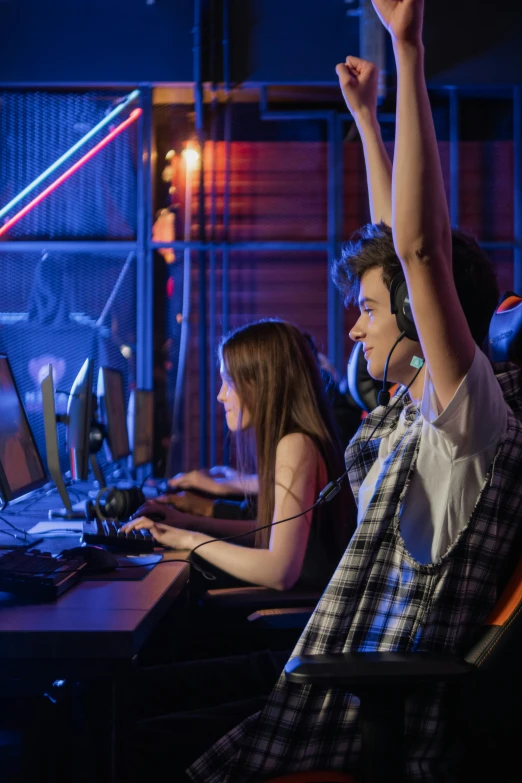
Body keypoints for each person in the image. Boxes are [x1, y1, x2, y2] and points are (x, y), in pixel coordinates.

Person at [181, 1, 522, 781]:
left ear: (417, 315)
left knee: (123, 723)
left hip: (350, 717)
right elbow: (391, 248)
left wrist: (409, 49)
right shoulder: (417, 412)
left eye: (368, 310)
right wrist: (367, 122)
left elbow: (417, 252)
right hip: (336, 685)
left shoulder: (469, 422)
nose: (354, 327)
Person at [123, 318, 352, 592]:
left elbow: (280, 572)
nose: (221, 395)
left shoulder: (296, 445)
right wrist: (189, 522)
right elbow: (270, 531)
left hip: (287, 618)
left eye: (229, 382)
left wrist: (188, 539)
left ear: (263, 385)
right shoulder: (297, 439)